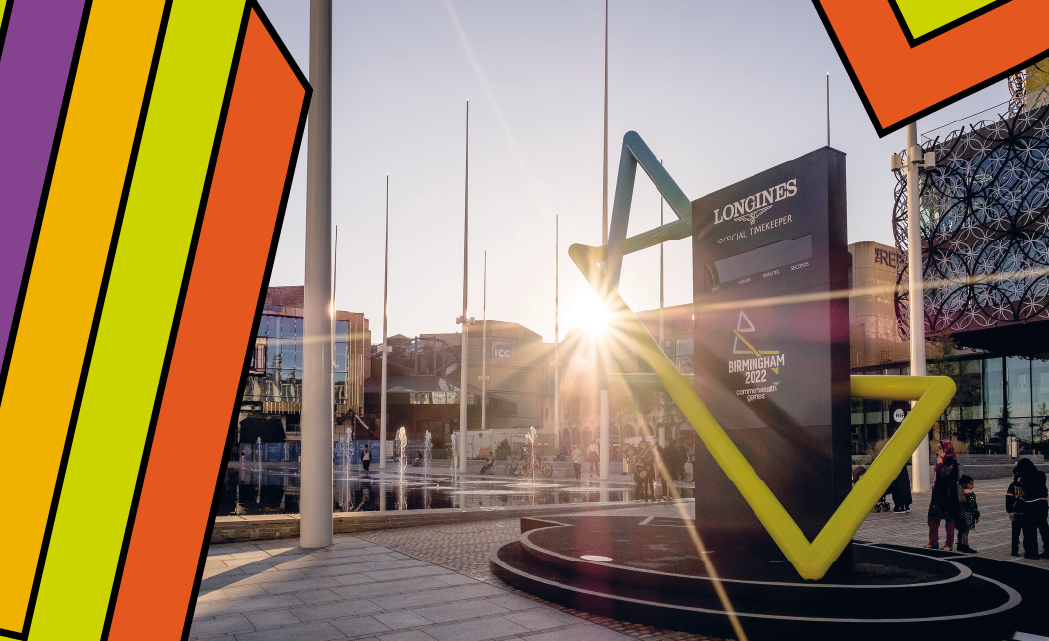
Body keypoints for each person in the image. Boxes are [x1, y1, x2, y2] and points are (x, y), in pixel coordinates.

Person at [926, 440, 960, 551]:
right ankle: (933, 542)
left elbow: (942, 473)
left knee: (949, 520)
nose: (937, 448)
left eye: (940, 447)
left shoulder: (951, 461)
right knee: (933, 518)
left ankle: (948, 544)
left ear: (946, 449)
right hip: (937, 495)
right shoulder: (941, 460)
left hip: (948, 495)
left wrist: (940, 461)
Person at [1015, 457, 1049, 559]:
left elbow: (1021, 489)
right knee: (1044, 528)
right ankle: (1047, 551)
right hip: (1043, 504)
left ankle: (1032, 553)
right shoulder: (1041, 475)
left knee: (1030, 529)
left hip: (1031, 505)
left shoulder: (1024, 478)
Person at [956, 474, 980, 553]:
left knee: (960, 530)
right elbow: (973, 505)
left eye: (973, 483)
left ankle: (959, 545)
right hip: (968, 515)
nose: (972, 485)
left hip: (960, 515)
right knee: (966, 531)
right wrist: (976, 515)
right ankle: (965, 546)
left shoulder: (960, 493)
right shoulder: (970, 494)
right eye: (970, 484)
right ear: (964, 484)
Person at [1007, 467, 1026, 557]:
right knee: (1016, 534)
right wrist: (1010, 511)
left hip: (1024, 513)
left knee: (1022, 534)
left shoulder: (1027, 484)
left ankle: (1023, 550)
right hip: (1017, 513)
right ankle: (1015, 551)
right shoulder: (1013, 485)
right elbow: (1008, 499)